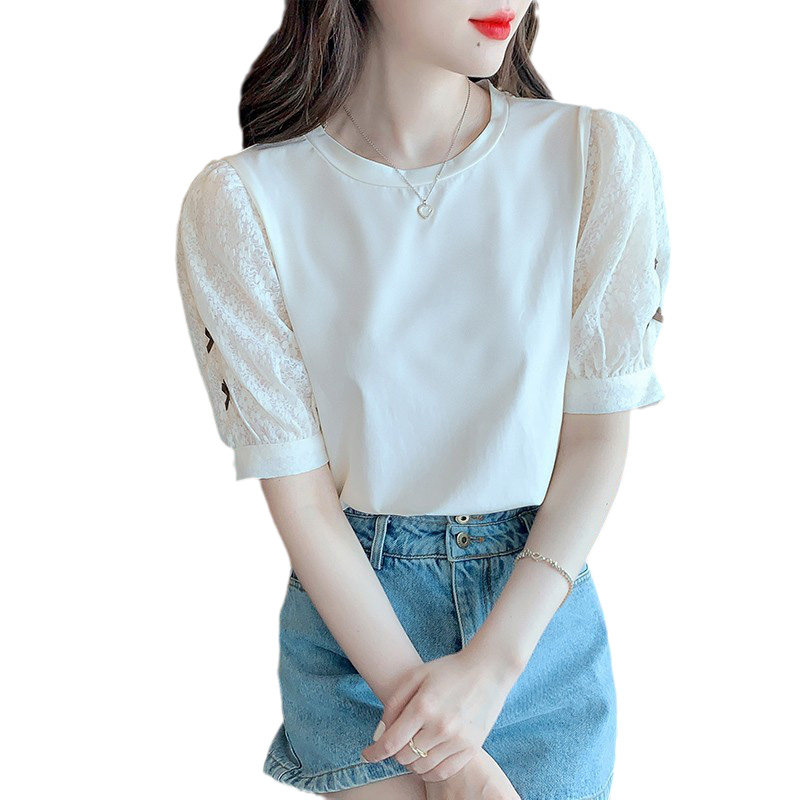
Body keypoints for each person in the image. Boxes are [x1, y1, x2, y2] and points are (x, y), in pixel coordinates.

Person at [175, 2, 670, 798]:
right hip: (358, 632)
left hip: (537, 624)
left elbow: (596, 444)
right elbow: (302, 502)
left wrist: (494, 666)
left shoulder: (594, 157)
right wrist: (452, 754)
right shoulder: (243, 203)